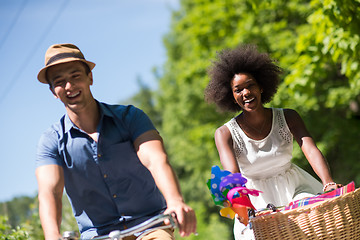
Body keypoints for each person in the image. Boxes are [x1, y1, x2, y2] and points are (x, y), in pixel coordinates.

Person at [35, 43, 197, 240]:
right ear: (53, 91)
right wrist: (52, 235)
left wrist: (175, 200)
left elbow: (156, 160)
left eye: (75, 76)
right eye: (59, 82)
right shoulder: (52, 141)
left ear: (90, 78)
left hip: (150, 224)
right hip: (99, 235)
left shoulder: (130, 117)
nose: (69, 86)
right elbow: (50, 192)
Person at [204, 44, 342, 240]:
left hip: (296, 189)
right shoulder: (224, 133)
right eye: (238, 90)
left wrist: (328, 183)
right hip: (255, 201)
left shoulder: (289, 117)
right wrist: (246, 210)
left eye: (250, 85)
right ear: (233, 97)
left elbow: (310, 149)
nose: (245, 93)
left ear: (261, 86)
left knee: (314, 223)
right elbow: (232, 175)